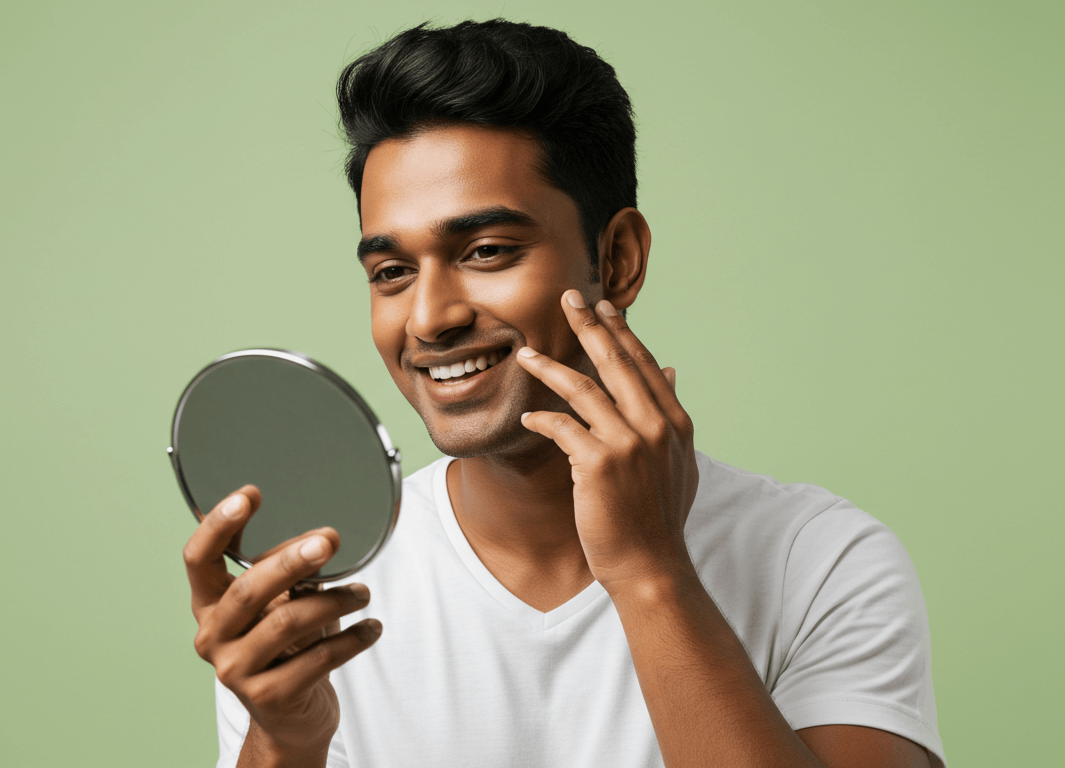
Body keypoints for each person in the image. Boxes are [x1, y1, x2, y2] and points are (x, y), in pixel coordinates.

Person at [181, 19, 945, 768]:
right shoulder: (320, 607)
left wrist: (651, 573)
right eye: (391, 272)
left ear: (616, 260)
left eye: (486, 251)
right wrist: (284, 740)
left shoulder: (820, 561)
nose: (429, 317)